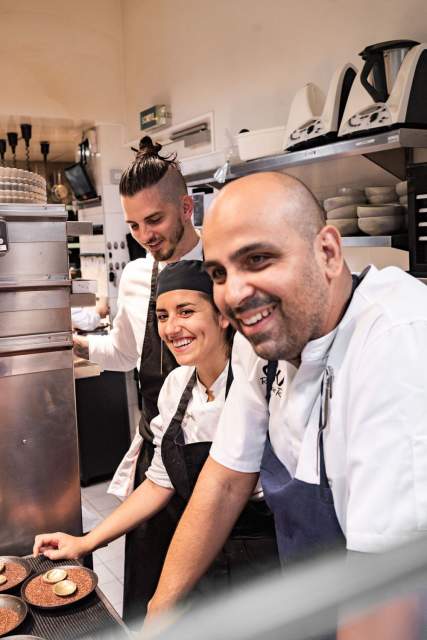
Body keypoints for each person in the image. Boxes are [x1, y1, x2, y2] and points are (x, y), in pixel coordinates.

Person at [147, 171, 427, 627]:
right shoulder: (261, 338)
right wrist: (159, 613)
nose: (233, 295)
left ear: (328, 253)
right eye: (220, 272)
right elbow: (224, 478)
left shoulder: (396, 342)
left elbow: (385, 593)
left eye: (257, 259)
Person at [33, 260, 278, 613]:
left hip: (266, 568)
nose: (172, 327)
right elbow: (157, 483)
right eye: (162, 316)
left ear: (223, 316)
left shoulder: (256, 382)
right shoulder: (177, 387)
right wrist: (86, 543)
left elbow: (229, 487)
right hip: (200, 565)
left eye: (186, 311)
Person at [73, 136, 202, 623]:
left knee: (203, 597)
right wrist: (81, 344)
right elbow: (127, 352)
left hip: (214, 451)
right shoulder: (133, 276)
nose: (144, 235)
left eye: (155, 220)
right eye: (133, 225)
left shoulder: (220, 265)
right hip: (155, 451)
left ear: (186, 207)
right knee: (148, 595)